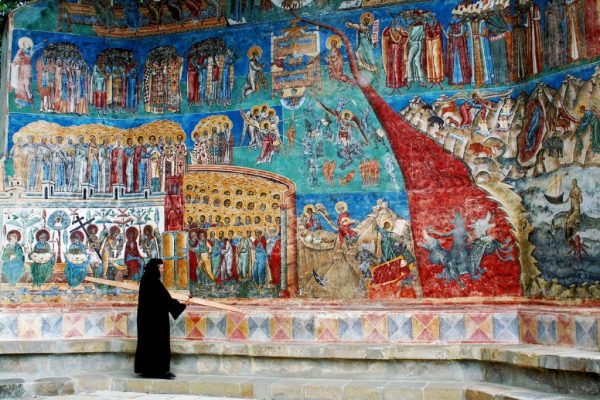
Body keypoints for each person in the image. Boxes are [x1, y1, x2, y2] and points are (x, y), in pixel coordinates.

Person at [134, 259, 186, 379]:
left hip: (150, 319)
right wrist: (179, 306)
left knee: (149, 344)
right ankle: (160, 371)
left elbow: (162, 297)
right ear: (155, 268)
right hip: (154, 320)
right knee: (158, 343)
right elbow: (164, 298)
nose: (162, 270)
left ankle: (149, 370)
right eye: (160, 268)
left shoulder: (148, 279)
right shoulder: (152, 280)